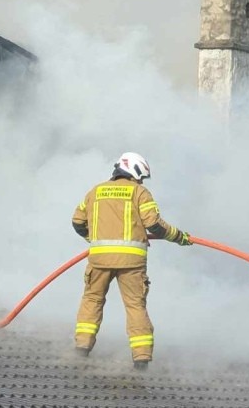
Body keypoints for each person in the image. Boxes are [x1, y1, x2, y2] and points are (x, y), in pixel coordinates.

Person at [71, 152, 192, 370]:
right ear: (135, 172)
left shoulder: (95, 192)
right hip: (132, 263)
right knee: (136, 306)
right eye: (141, 177)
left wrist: (94, 238)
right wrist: (180, 237)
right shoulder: (139, 192)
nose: (141, 181)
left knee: (92, 300)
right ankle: (141, 360)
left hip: (99, 261)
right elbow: (155, 225)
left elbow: (77, 222)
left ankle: (81, 350)